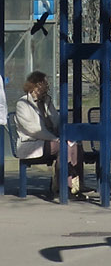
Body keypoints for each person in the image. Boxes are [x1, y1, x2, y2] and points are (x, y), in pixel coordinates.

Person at [14, 70, 86, 198]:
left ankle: (77, 184)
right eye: (44, 83)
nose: (47, 85)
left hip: (51, 140)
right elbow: (34, 130)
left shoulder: (47, 101)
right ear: (35, 85)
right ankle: (65, 187)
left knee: (76, 145)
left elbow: (57, 121)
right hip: (33, 143)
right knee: (64, 147)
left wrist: (66, 135)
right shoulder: (23, 104)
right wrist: (57, 139)